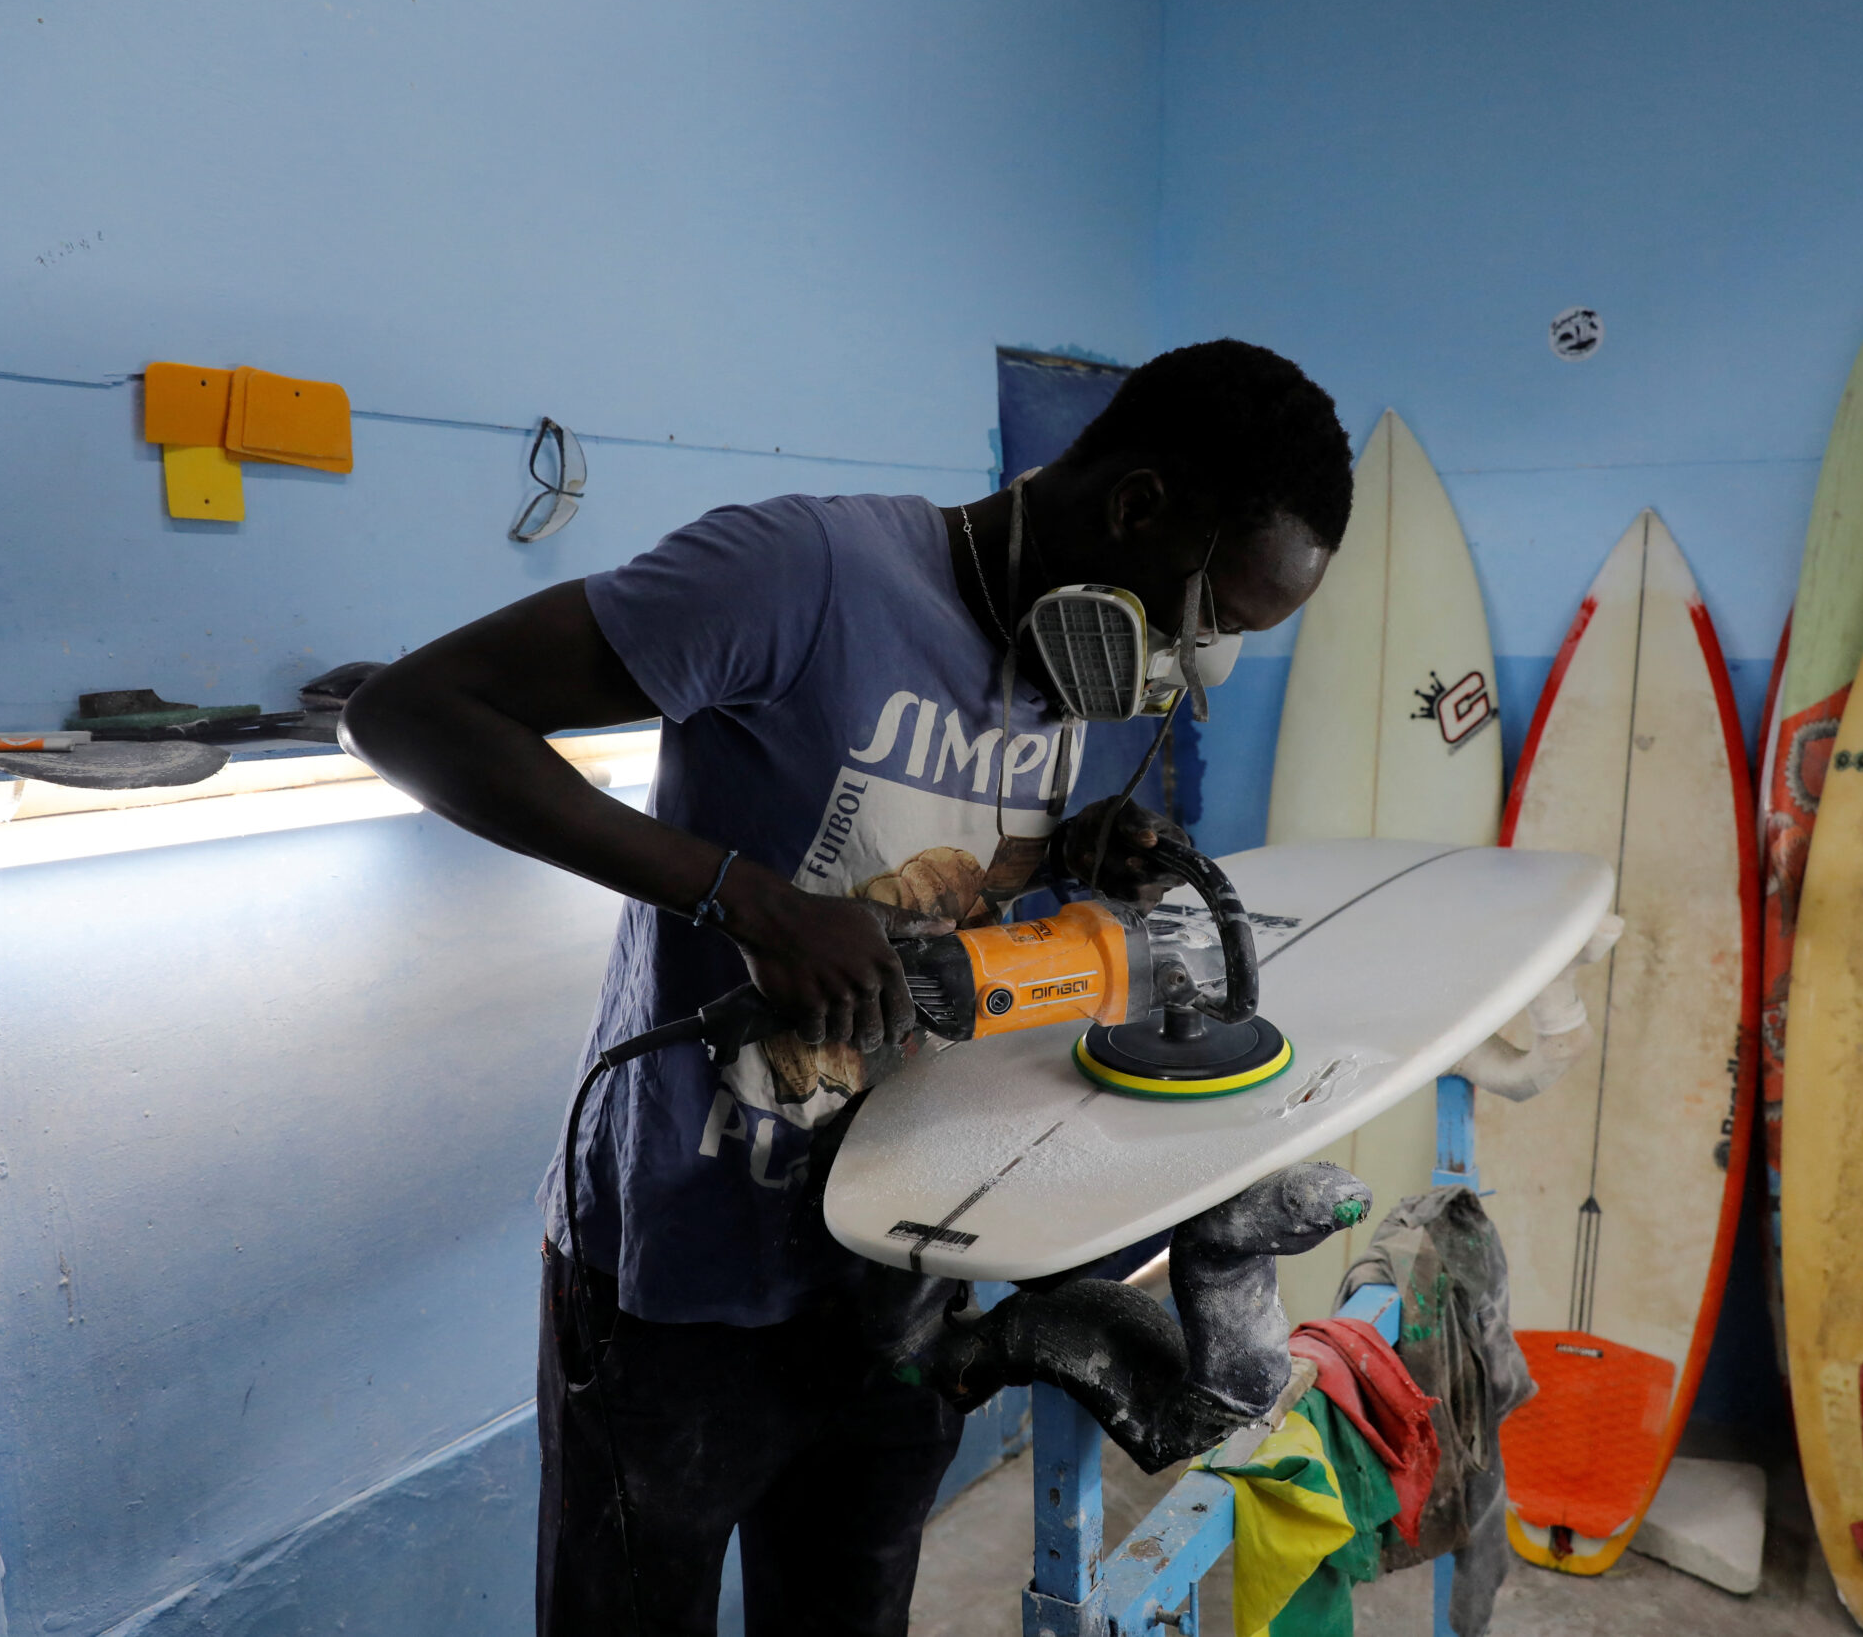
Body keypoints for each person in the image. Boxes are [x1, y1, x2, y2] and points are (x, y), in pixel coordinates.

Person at [343, 338, 1354, 1636]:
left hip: (902, 1270)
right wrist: (748, 897)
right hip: (680, 1276)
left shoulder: (1083, 666)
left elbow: (952, 886)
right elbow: (415, 713)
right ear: (1139, 508)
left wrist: (1067, 849)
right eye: (1210, 616)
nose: (1202, 664)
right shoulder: (798, 574)